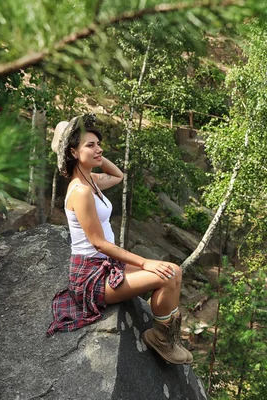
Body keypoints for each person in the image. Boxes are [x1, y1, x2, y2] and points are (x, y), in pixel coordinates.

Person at [46, 114, 192, 365]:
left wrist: (93, 155)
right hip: (91, 277)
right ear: (72, 151)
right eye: (90, 145)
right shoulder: (80, 192)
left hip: (105, 266)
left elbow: (118, 175)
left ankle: (168, 332)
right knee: (167, 274)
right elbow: (99, 244)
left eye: (98, 144)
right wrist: (145, 263)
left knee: (174, 272)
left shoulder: (92, 181)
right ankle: (160, 338)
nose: (99, 149)